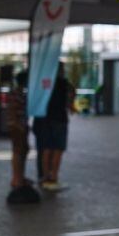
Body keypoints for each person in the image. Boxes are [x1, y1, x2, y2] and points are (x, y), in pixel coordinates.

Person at [32, 62, 74, 192]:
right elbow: (70, 103)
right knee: (57, 149)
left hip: (44, 119)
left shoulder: (44, 82)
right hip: (60, 119)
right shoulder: (65, 84)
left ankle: (45, 178)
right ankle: (53, 177)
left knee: (46, 148)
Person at [6, 70, 39, 204]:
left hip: (21, 125)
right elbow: (13, 111)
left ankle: (19, 176)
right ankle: (16, 178)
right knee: (18, 151)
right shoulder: (16, 93)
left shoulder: (20, 93)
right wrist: (17, 125)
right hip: (17, 126)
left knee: (23, 150)